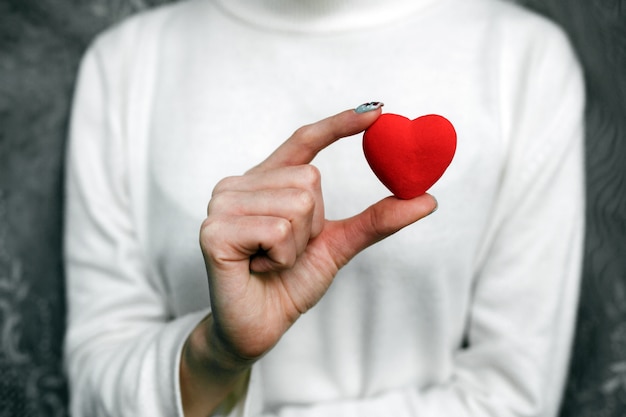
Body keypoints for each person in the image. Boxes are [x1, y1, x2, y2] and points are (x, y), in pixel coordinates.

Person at [63, 0, 585, 416]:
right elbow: (92, 389)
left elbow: (512, 395)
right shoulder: (127, 63)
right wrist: (217, 354)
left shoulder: (524, 58)